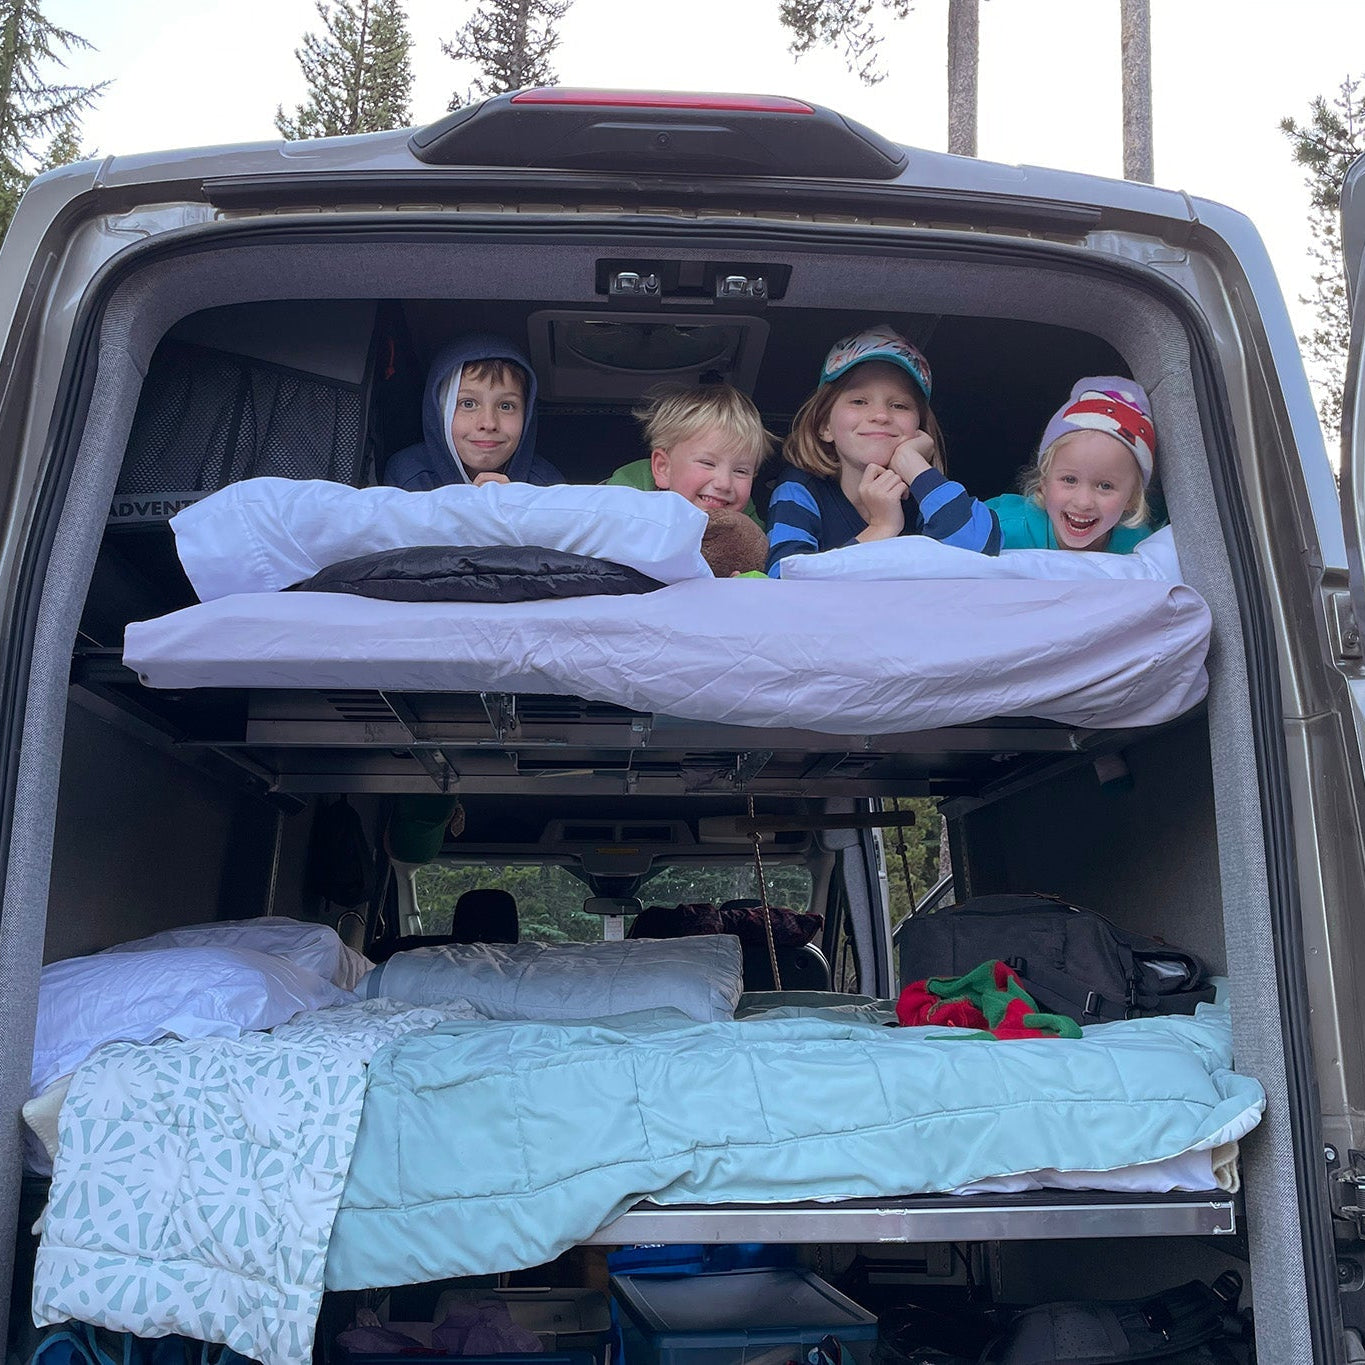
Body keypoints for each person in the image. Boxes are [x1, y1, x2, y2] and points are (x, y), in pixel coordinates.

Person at [764, 325, 1000, 575]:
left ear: (919, 427)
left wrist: (913, 464)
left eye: (899, 405)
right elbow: (784, 582)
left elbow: (981, 551)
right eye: (859, 401)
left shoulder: (929, 497)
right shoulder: (800, 489)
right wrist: (882, 527)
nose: (880, 415)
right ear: (825, 426)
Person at [987, 377, 1157, 553]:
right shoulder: (999, 530)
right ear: (1043, 482)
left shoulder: (1140, 547)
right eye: (1069, 480)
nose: (1083, 502)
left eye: (1105, 486)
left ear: (1132, 497)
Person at [383, 332, 563, 490]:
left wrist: (514, 508)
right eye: (468, 404)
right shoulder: (410, 477)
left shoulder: (545, 486)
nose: (489, 423)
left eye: (506, 406)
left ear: (528, 414)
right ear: (440, 411)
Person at [606, 382, 771, 525]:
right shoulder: (631, 486)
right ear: (664, 467)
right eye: (708, 463)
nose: (725, 483)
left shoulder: (745, 513)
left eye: (741, 471)